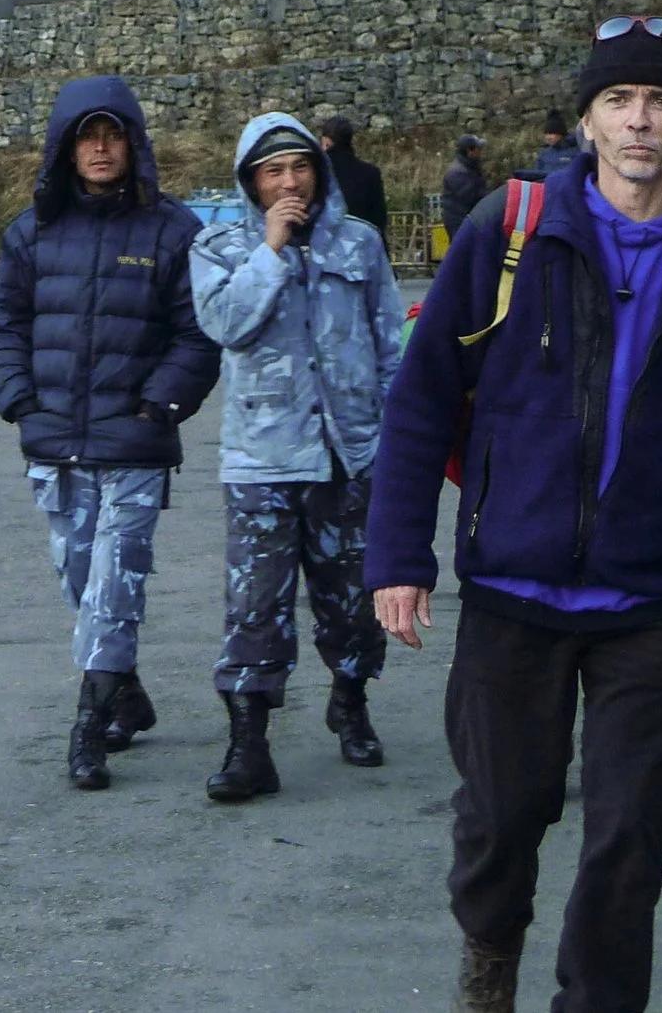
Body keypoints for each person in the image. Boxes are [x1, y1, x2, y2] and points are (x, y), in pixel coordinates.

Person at [367, 16, 662, 1013]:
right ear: (586, 117)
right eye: (619, 100)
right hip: (510, 587)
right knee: (502, 817)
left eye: (660, 102)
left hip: (650, 601)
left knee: (628, 834)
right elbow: (419, 403)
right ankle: (489, 958)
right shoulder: (509, 231)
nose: (639, 121)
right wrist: (396, 556)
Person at [0, 76, 220, 790]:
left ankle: (86, 727)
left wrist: (158, 406)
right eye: (86, 135)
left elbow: (198, 334)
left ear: (133, 143)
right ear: (64, 145)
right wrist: (20, 402)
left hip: (134, 444)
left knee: (115, 581)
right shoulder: (32, 231)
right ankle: (128, 691)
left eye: (112, 134)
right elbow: (6, 328)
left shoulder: (174, 231)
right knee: (80, 578)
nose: (99, 148)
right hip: (54, 442)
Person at [190, 114, 403, 805]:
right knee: (256, 606)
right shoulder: (220, 247)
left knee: (352, 601)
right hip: (263, 458)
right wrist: (272, 254)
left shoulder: (360, 244)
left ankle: (351, 700)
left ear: (320, 171)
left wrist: (399, 438)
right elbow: (225, 325)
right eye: (273, 171)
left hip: (350, 452)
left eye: (300, 168)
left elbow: (390, 344)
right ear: (251, 182)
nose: (289, 183)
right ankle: (248, 744)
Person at [319, 115, 388, 232]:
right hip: (363, 242)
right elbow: (379, 219)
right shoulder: (370, 173)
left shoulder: (318, 171)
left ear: (327, 141)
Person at [439, 133, 488, 239]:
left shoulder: (471, 168)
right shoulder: (458, 172)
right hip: (459, 220)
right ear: (469, 151)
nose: (480, 152)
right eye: (478, 149)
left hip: (467, 219)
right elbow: (471, 197)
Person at [520, 108, 583, 181]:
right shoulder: (544, 153)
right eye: (546, 133)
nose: (548, 137)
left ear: (561, 133)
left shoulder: (576, 151)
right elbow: (536, 175)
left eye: (551, 133)